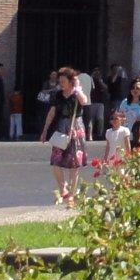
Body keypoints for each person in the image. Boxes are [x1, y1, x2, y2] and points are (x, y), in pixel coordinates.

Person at [43, 66, 89, 205]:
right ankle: (63, 188)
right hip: (61, 127)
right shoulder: (57, 95)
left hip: (76, 128)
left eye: (63, 81)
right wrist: (45, 130)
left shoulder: (76, 94)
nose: (61, 84)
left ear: (70, 81)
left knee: (75, 163)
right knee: (56, 160)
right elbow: (51, 112)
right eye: (60, 81)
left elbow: (84, 101)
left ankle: (72, 195)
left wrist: (77, 88)